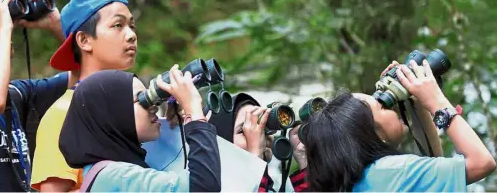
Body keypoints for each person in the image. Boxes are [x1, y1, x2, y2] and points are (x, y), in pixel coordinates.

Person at [304, 59, 497, 192]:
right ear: (373, 134)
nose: (392, 107)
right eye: (382, 106)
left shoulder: (357, 180)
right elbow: (481, 163)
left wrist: (416, 103)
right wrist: (437, 102)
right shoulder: (395, 171)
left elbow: (433, 169)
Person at [30, 0, 138, 192]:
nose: (131, 35)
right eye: (118, 25)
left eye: (131, 26)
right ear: (84, 40)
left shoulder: (138, 109)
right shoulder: (62, 116)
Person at [0, 0, 76, 192]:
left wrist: (56, 24)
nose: (3, 27)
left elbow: (84, 72)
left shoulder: (17, 94)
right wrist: (4, 29)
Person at [59, 67, 221, 192]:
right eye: (142, 98)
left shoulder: (112, 170)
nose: (153, 107)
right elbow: (202, 186)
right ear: (114, 113)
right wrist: (193, 109)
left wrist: (180, 124)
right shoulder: (114, 176)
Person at [208, 93, 309, 192]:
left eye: (263, 126)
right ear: (222, 142)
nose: (259, 135)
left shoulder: (279, 186)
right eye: (244, 130)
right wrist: (254, 157)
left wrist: (303, 161)